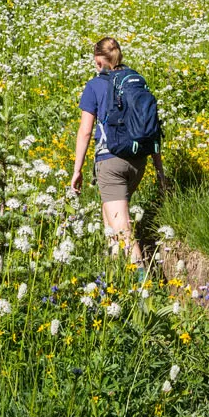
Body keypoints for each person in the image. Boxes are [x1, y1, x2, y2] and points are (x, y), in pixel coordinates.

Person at [69, 37, 165, 265]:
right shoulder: (136, 81)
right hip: (138, 159)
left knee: (123, 231)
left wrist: (77, 170)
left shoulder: (94, 85)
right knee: (110, 219)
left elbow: (84, 132)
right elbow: (152, 127)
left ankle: (144, 291)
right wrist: (159, 169)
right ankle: (114, 279)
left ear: (99, 61)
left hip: (110, 162)